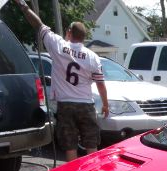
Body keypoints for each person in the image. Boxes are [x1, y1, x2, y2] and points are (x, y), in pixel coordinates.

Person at [13, 0, 109, 161]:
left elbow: (39, 25)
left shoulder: (58, 45)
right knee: (91, 144)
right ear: (84, 37)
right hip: (86, 105)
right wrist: (105, 104)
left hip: (66, 106)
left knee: (70, 146)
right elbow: (100, 84)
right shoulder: (92, 57)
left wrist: (24, 6)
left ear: (70, 32)